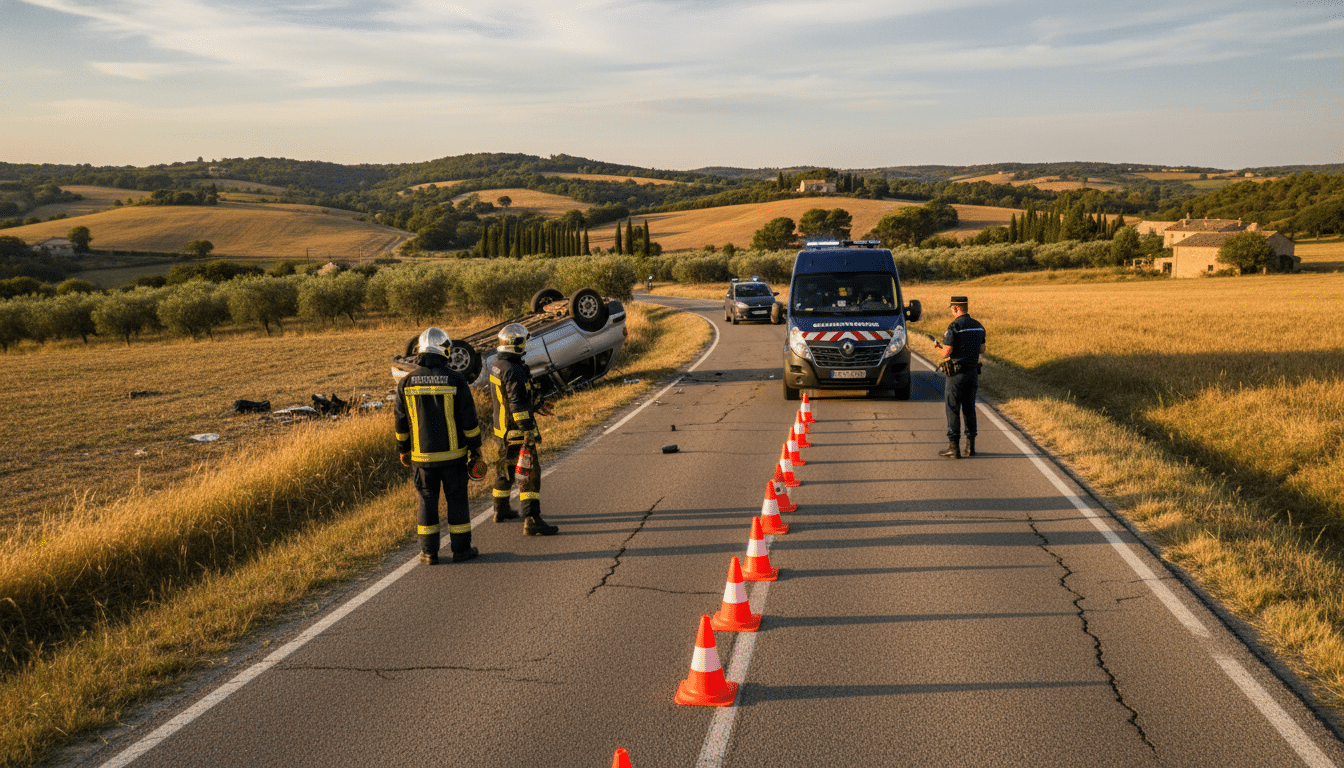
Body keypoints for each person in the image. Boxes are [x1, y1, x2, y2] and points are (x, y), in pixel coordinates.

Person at [394, 327, 484, 564]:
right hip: (454, 458)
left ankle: (428, 552)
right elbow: (469, 419)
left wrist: (404, 450)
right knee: (457, 501)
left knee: (426, 501)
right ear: (445, 351)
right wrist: (475, 448)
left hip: (422, 459)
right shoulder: (456, 379)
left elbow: (401, 423)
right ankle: (461, 550)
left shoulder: (406, 382)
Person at [489, 323, 559, 535]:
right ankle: (532, 518)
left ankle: (500, 510)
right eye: (524, 341)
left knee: (506, 470)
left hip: (502, 431)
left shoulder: (498, 365)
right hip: (518, 433)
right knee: (529, 473)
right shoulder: (514, 370)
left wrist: (537, 403)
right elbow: (517, 403)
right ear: (516, 344)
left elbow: (514, 397)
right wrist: (527, 429)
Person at [935, 296, 986, 459]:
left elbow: (945, 354)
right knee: (969, 408)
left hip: (956, 374)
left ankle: (954, 447)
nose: (951, 311)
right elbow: (982, 349)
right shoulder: (978, 326)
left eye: (952, 308)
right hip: (972, 372)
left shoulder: (954, 326)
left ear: (956, 308)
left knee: (952, 408)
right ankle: (971, 446)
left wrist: (937, 347)